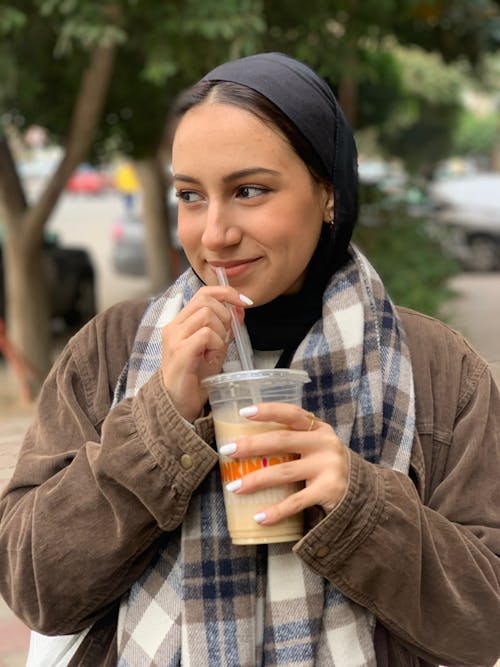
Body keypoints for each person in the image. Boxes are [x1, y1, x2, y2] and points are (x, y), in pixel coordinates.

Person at [1, 53, 499, 667]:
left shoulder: (439, 370)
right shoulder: (111, 351)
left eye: (250, 190)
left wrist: (361, 504)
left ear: (329, 194)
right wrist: (161, 422)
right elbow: (33, 588)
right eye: (189, 195)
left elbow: (485, 625)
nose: (214, 234)